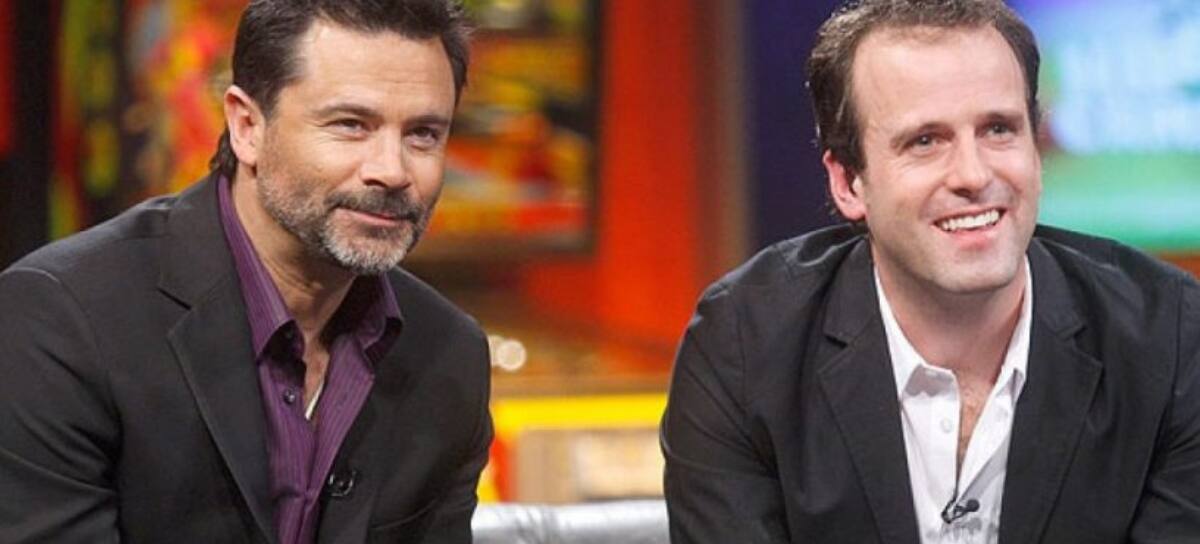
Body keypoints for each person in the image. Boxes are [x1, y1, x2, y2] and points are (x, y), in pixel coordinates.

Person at [660, 0, 1200, 542]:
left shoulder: (1170, 340)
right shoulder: (745, 347)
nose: (973, 174)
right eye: (925, 141)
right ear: (848, 182)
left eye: (998, 129)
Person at [0, 1, 492, 542]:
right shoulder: (62, 320)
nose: (392, 171)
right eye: (351, 125)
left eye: (423, 134)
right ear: (247, 126)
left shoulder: (450, 356)